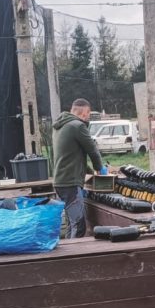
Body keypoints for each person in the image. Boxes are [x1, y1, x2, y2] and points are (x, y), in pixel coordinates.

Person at [52, 98, 104, 239]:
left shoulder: (60, 126)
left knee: (71, 224)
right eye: (88, 114)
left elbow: (72, 156)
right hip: (70, 184)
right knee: (79, 226)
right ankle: (75, 252)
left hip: (60, 182)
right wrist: (100, 169)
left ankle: (69, 251)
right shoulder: (78, 126)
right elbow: (92, 150)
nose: (88, 117)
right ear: (85, 112)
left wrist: (90, 172)